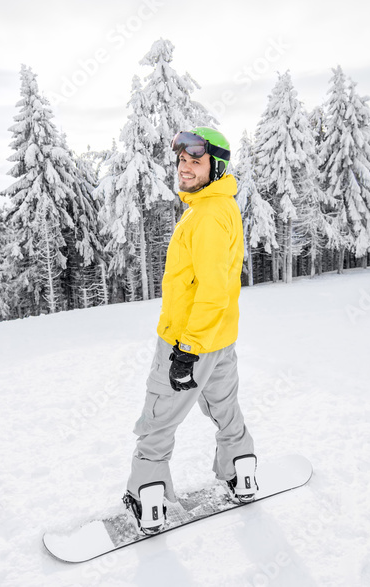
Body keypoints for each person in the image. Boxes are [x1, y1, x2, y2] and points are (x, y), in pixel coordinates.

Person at [123, 126, 257, 536]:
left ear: (214, 167)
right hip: (219, 341)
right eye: (182, 160)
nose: (184, 167)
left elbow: (213, 291)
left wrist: (186, 350)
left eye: (195, 161)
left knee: (158, 421)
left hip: (190, 341)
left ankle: (149, 498)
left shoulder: (207, 217)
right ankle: (241, 473)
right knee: (225, 411)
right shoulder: (218, 207)